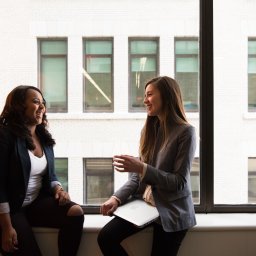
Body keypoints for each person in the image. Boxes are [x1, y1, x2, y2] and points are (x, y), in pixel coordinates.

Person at [97, 76, 197, 256]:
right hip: (146, 205)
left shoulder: (186, 132)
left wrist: (141, 168)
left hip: (172, 210)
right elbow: (137, 178)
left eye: (149, 95)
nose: (144, 100)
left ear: (166, 96)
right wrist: (116, 198)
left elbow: (179, 182)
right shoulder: (149, 130)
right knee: (106, 237)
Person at [0, 85, 84, 256]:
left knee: (75, 212)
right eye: (36, 102)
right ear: (19, 105)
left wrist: (58, 189)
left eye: (43, 103)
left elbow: (50, 174)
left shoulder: (43, 137)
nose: (42, 107)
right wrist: (6, 227)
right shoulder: (5, 136)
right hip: (11, 210)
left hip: (34, 203)